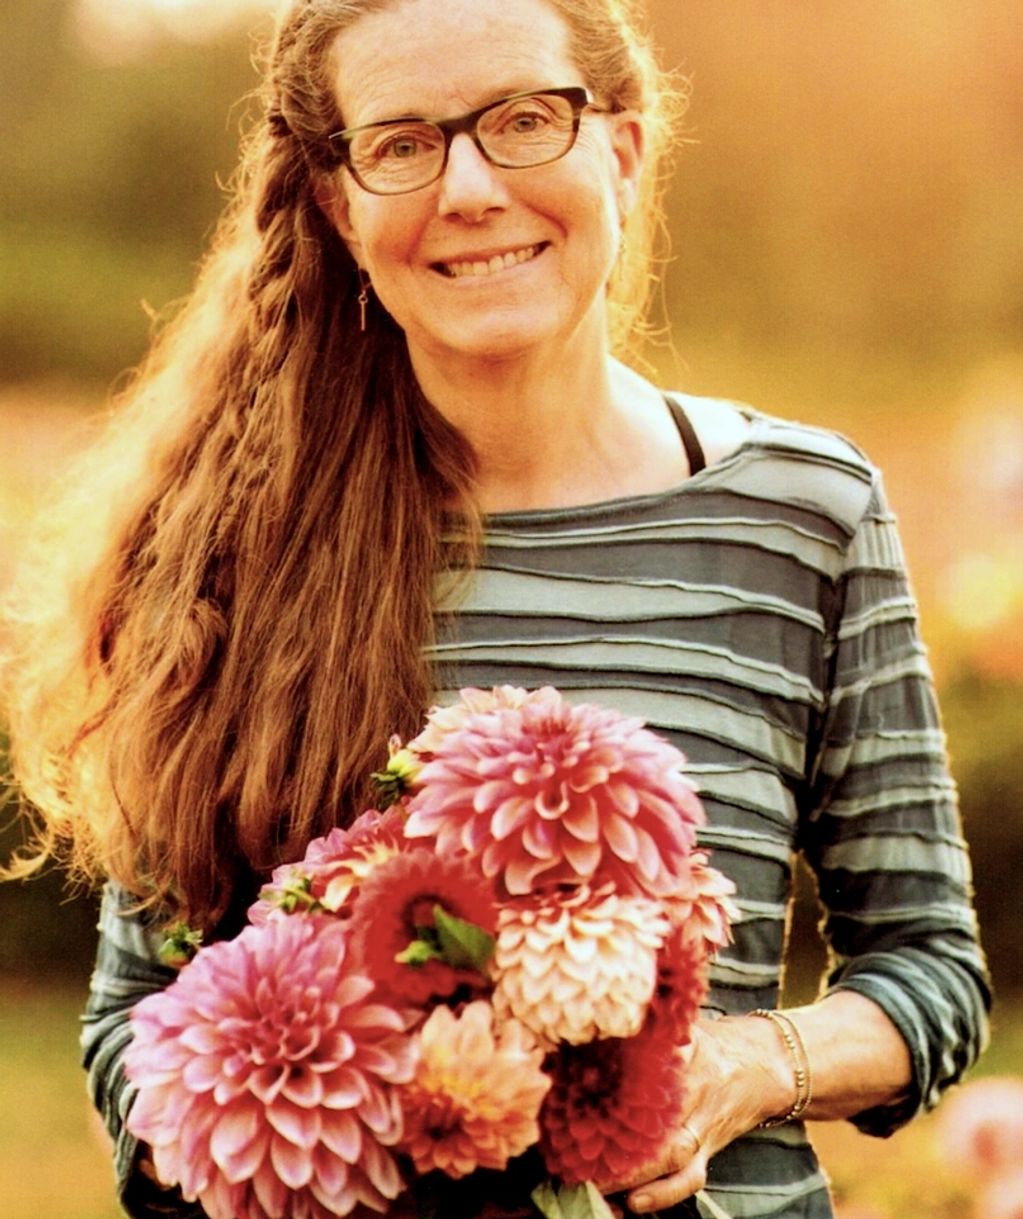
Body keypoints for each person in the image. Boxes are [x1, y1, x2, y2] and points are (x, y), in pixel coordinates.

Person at [0, 0, 990, 1216]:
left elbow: (930, 970)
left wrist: (741, 1067)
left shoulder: (806, 509)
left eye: (524, 119)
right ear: (337, 204)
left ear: (620, 151)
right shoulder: (232, 549)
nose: (467, 187)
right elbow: (124, 1037)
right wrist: (363, 1090)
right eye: (402, 143)